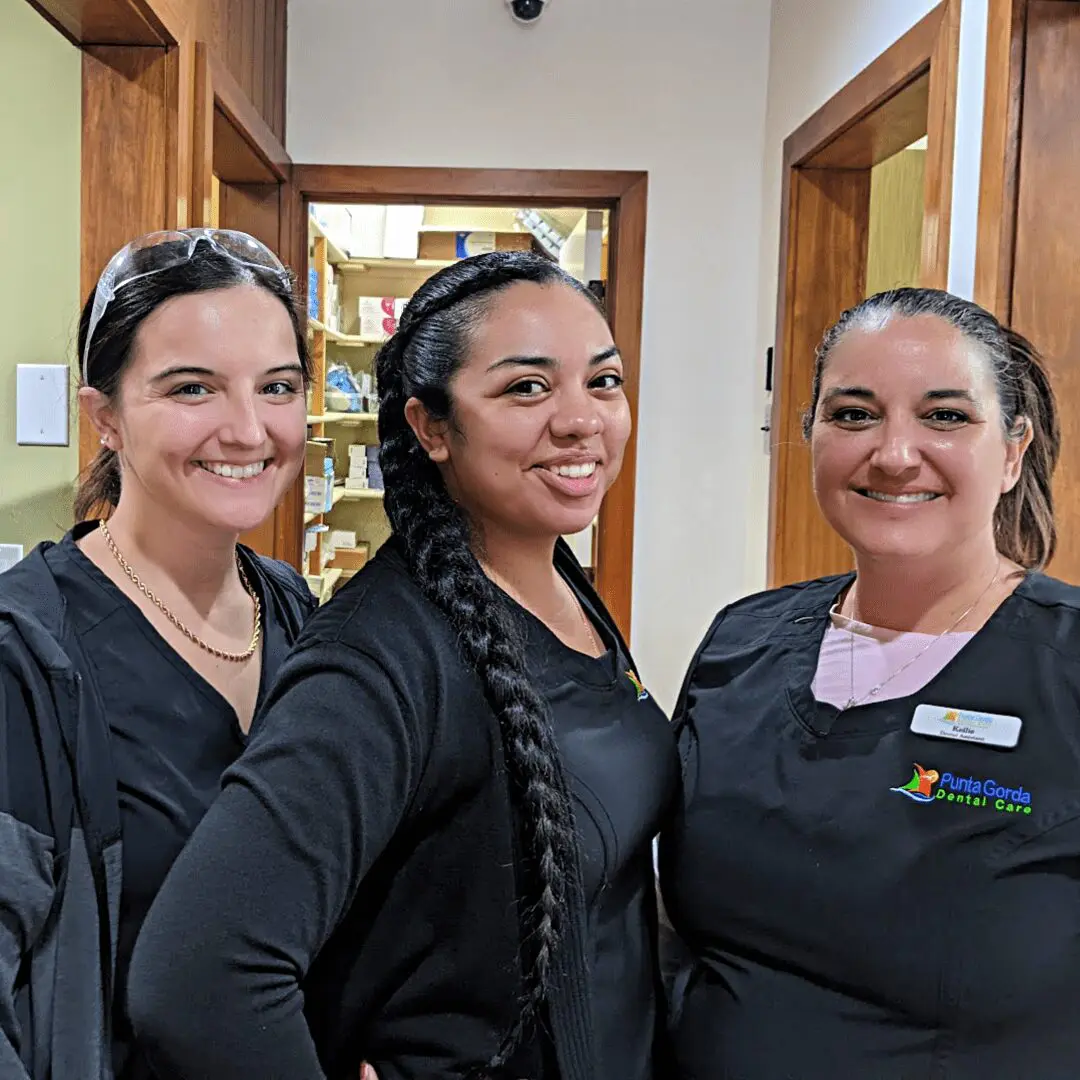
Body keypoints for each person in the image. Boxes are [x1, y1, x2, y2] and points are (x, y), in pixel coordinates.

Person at [126, 250, 679, 1080]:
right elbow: (198, 975)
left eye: (603, 381)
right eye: (526, 388)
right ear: (431, 428)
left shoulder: (557, 579)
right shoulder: (381, 658)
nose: (581, 419)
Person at [658, 286, 1080, 1078]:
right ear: (809, 433)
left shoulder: (1067, 667)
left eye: (945, 416)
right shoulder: (740, 642)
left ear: (1013, 449)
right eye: (853, 414)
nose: (893, 452)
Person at [0, 228, 317, 1080]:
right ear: (103, 417)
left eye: (277, 387)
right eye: (192, 388)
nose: (248, 429)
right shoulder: (27, 661)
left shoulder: (297, 618)